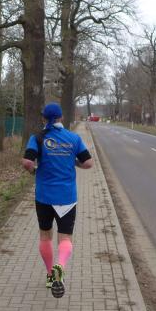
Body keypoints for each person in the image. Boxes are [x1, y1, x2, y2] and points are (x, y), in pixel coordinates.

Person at [21, 103, 93, 298]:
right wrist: (74, 162)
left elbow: (27, 162)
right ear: (61, 117)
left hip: (44, 196)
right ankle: (60, 266)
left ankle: (50, 275)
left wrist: (33, 170)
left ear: (44, 118)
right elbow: (88, 163)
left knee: (45, 236)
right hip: (67, 197)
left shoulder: (37, 138)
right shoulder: (73, 138)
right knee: (65, 237)